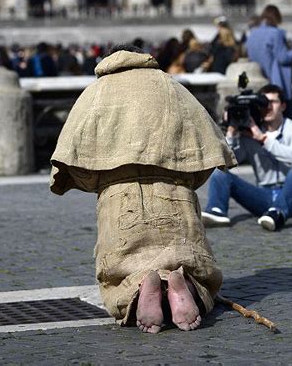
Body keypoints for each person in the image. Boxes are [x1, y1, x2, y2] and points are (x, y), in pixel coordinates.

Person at [50, 45, 236, 333]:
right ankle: (182, 283)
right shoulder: (170, 87)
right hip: (174, 194)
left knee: (120, 272)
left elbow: (73, 158)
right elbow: (205, 147)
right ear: (146, 58)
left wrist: (100, 180)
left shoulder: (96, 93)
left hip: (120, 200)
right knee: (190, 263)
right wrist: (186, 179)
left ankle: (139, 289)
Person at [202, 84, 292, 232]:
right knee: (220, 173)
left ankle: (278, 213)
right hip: (265, 197)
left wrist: (263, 139)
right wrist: (232, 132)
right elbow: (227, 162)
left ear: (283, 106)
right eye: (264, 103)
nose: (268, 107)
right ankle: (217, 210)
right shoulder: (249, 134)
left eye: (273, 102)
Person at [246, 4, 292, 120]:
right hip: (278, 83)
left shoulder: (252, 34)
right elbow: (283, 58)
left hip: (259, 81)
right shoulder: (276, 33)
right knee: (289, 118)